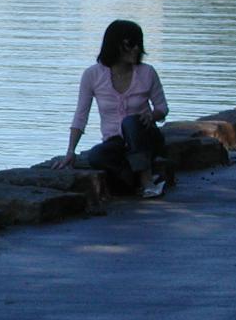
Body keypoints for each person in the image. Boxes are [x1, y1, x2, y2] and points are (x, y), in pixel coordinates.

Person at [53, 19, 170, 198]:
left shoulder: (147, 72)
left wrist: (152, 116)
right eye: (130, 44)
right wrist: (70, 151)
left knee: (130, 122)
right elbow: (81, 115)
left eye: (138, 44)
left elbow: (162, 108)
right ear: (115, 45)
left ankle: (147, 180)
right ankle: (135, 180)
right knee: (95, 156)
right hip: (116, 143)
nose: (136, 49)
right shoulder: (92, 75)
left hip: (146, 138)